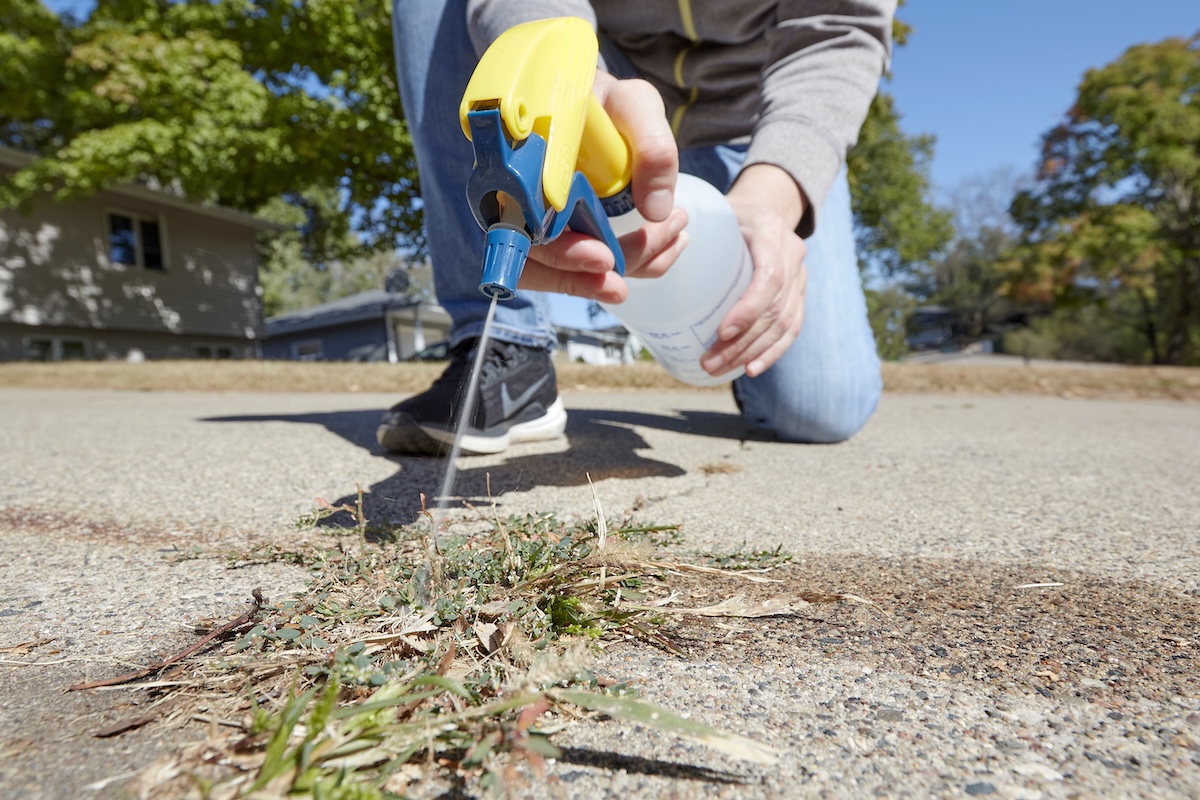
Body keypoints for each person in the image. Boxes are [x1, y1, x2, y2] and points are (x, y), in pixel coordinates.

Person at [379, 1, 892, 456]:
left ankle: (745, 361)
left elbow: (840, 25)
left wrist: (776, 194)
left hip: (758, 119)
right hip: (610, 83)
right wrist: (565, 87)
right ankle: (505, 345)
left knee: (818, 404)